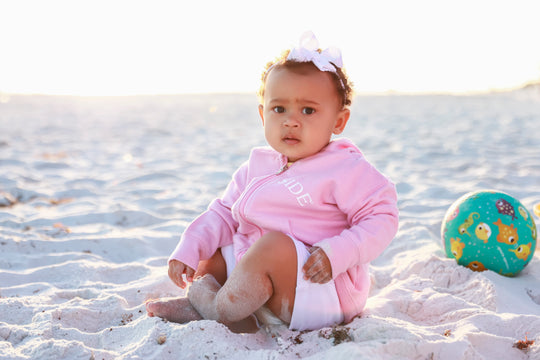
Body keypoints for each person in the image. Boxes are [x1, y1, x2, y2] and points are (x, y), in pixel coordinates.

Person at [146, 31, 399, 333]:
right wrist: (189, 249)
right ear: (262, 115)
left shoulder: (345, 168)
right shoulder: (256, 166)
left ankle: (217, 309)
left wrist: (338, 253)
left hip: (320, 288)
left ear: (338, 121)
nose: (291, 120)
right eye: (279, 109)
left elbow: (381, 217)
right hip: (260, 286)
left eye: (308, 110)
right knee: (216, 242)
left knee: (273, 245)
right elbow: (223, 213)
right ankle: (213, 302)